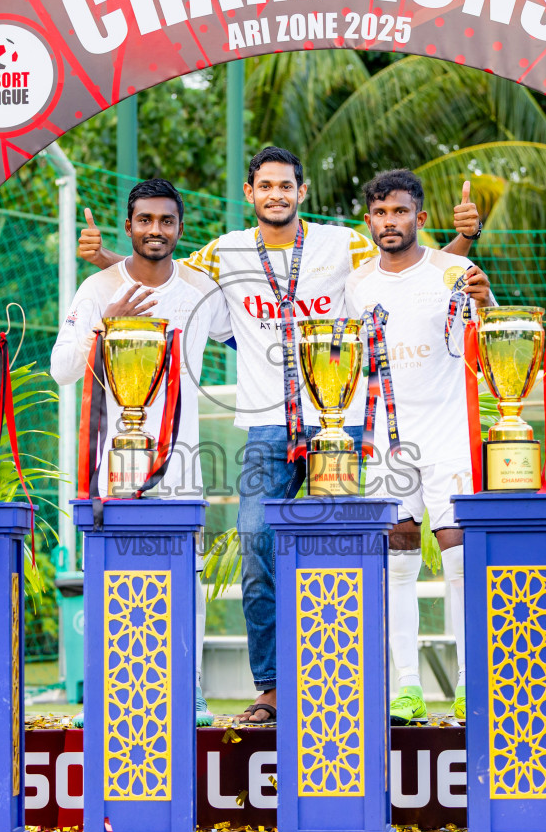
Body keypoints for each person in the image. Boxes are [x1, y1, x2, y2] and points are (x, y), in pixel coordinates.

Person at [79, 147, 484, 725]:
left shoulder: (346, 244)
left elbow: (412, 271)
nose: (276, 194)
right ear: (250, 193)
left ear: (302, 191)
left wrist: (464, 242)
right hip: (266, 422)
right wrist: (109, 257)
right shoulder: (223, 252)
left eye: (286, 185)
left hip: (338, 423)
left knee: (344, 550)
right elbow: (163, 268)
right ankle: (271, 688)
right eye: (265, 185)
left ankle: (347, 684)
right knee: (257, 544)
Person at [51, 178, 229, 726]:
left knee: (187, 572)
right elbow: (61, 369)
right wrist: (105, 326)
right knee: (112, 569)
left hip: (183, 457)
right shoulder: (97, 287)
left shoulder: (201, 289)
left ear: (179, 228)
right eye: (145, 220)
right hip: (117, 458)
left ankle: (190, 689)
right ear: (129, 226)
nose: (156, 230)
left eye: (166, 221)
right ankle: (109, 689)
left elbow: (249, 330)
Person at [346, 169, 493, 724]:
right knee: (399, 556)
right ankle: (406, 687)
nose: (391, 222)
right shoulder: (357, 284)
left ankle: (469, 683)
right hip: (388, 440)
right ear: (369, 222)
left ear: (420, 218)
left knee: (458, 558)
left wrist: (486, 299)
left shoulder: (456, 271)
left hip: (451, 434)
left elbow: (492, 343)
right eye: (381, 214)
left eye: (400, 212)